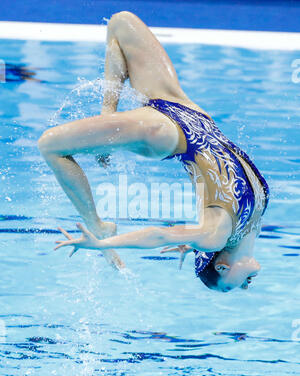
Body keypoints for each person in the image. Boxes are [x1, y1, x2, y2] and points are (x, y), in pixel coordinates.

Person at [38, 11, 269, 292]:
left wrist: (102, 244)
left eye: (229, 287)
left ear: (222, 267)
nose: (244, 288)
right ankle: (107, 110)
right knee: (120, 23)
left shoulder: (214, 238)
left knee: (49, 145)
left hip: (166, 134)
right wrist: (194, 244)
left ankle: (98, 225)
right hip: (191, 113)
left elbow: (159, 235)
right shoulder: (247, 228)